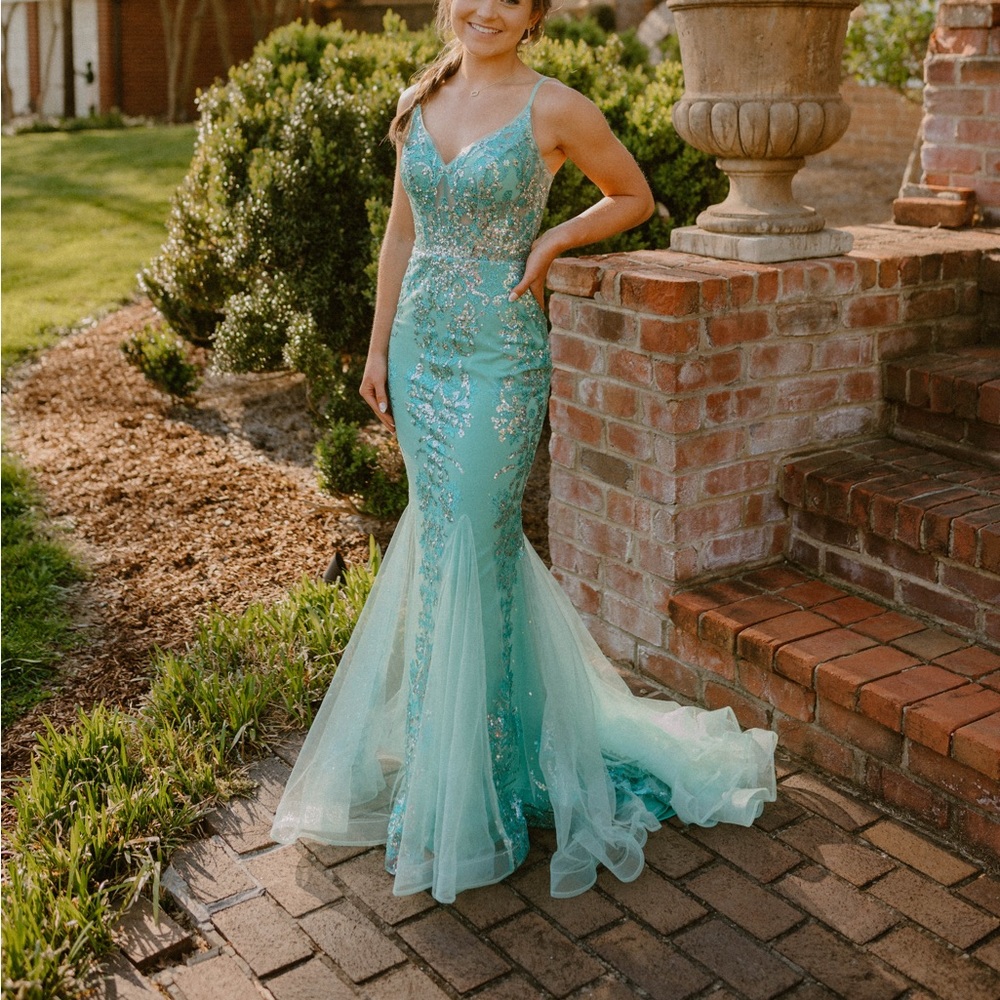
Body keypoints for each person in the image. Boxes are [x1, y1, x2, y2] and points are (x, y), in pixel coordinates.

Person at [271, 0, 777, 903]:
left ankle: (481, 780)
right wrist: (380, 346)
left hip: (504, 361)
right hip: (424, 350)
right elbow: (401, 234)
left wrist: (554, 236)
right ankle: (453, 755)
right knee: (446, 549)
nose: (487, 7)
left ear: (536, 14)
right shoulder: (417, 98)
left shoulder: (556, 108)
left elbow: (635, 197)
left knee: (472, 538)